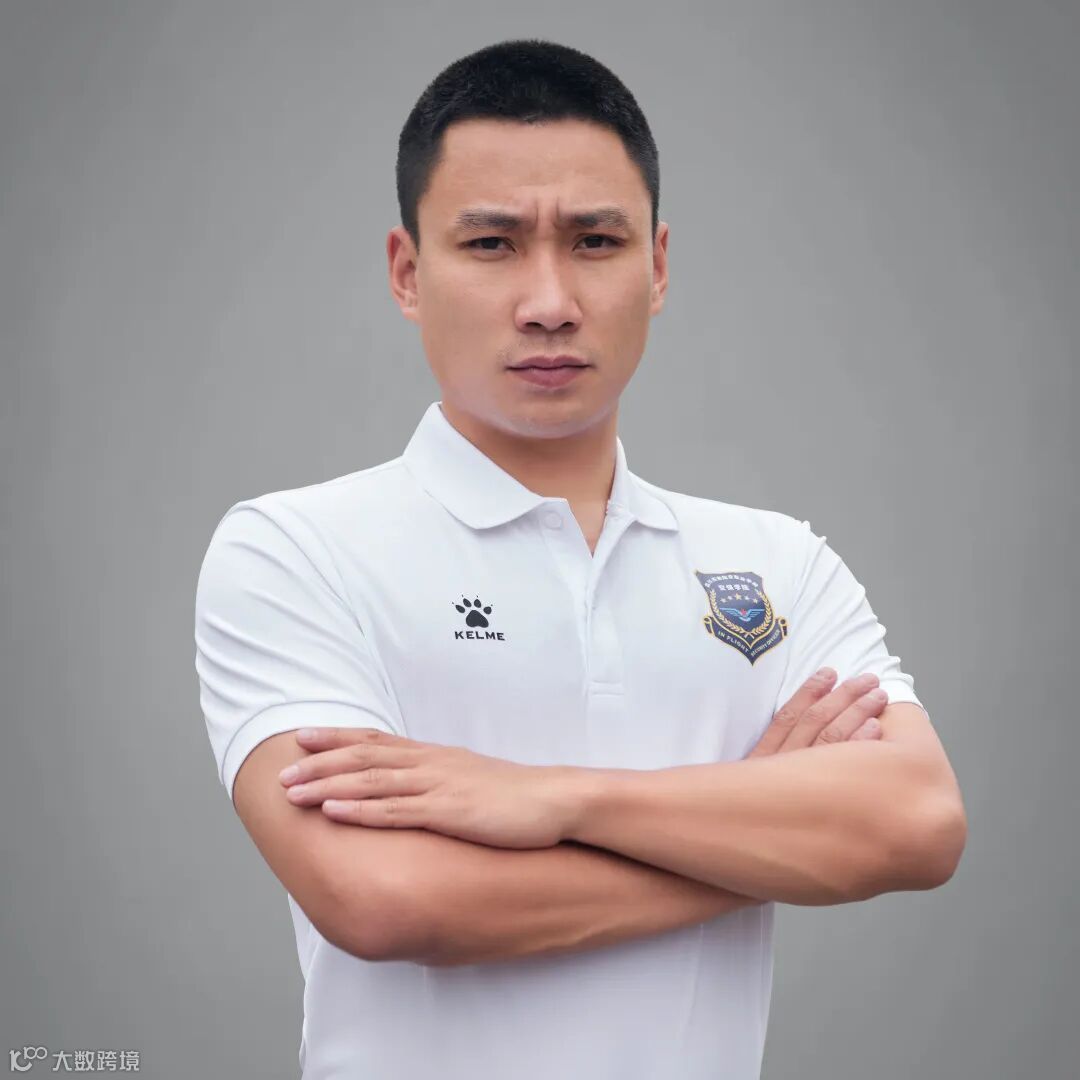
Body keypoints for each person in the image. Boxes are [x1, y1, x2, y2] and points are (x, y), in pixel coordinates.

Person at [193, 38, 966, 1080]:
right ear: (408, 273)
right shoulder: (295, 551)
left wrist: (553, 798)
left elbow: (919, 822)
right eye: (493, 244)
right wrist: (757, 834)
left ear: (658, 267)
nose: (549, 301)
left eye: (596, 241)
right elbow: (384, 901)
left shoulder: (777, 563)